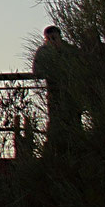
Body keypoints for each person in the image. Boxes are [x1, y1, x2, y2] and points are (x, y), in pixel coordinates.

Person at [33, 25, 78, 153]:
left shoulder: (70, 50)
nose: (51, 40)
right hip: (54, 90)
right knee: (55, 120)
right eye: (48, 38)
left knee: (73, 120)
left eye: (53, 37)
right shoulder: (43, 51)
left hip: (72, 91)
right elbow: (37, 70)